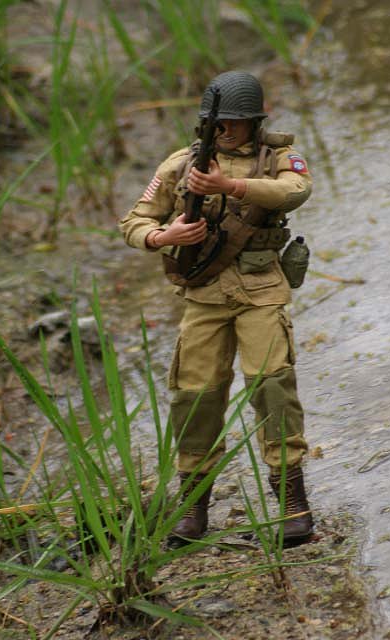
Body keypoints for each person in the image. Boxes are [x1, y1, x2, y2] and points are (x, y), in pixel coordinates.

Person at [119, 70, 313, 546]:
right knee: (195, 395)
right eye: (217, 122)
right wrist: (163, 236)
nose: (224, 130)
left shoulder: (277, 158)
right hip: (204, 295)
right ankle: (193, 505)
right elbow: (134, 219)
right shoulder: (182, 164)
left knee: (273, 387)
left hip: (260, 290)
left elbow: (295, 191)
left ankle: (292, 502)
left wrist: (231, 186)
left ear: (254, 122)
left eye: (234, 122)